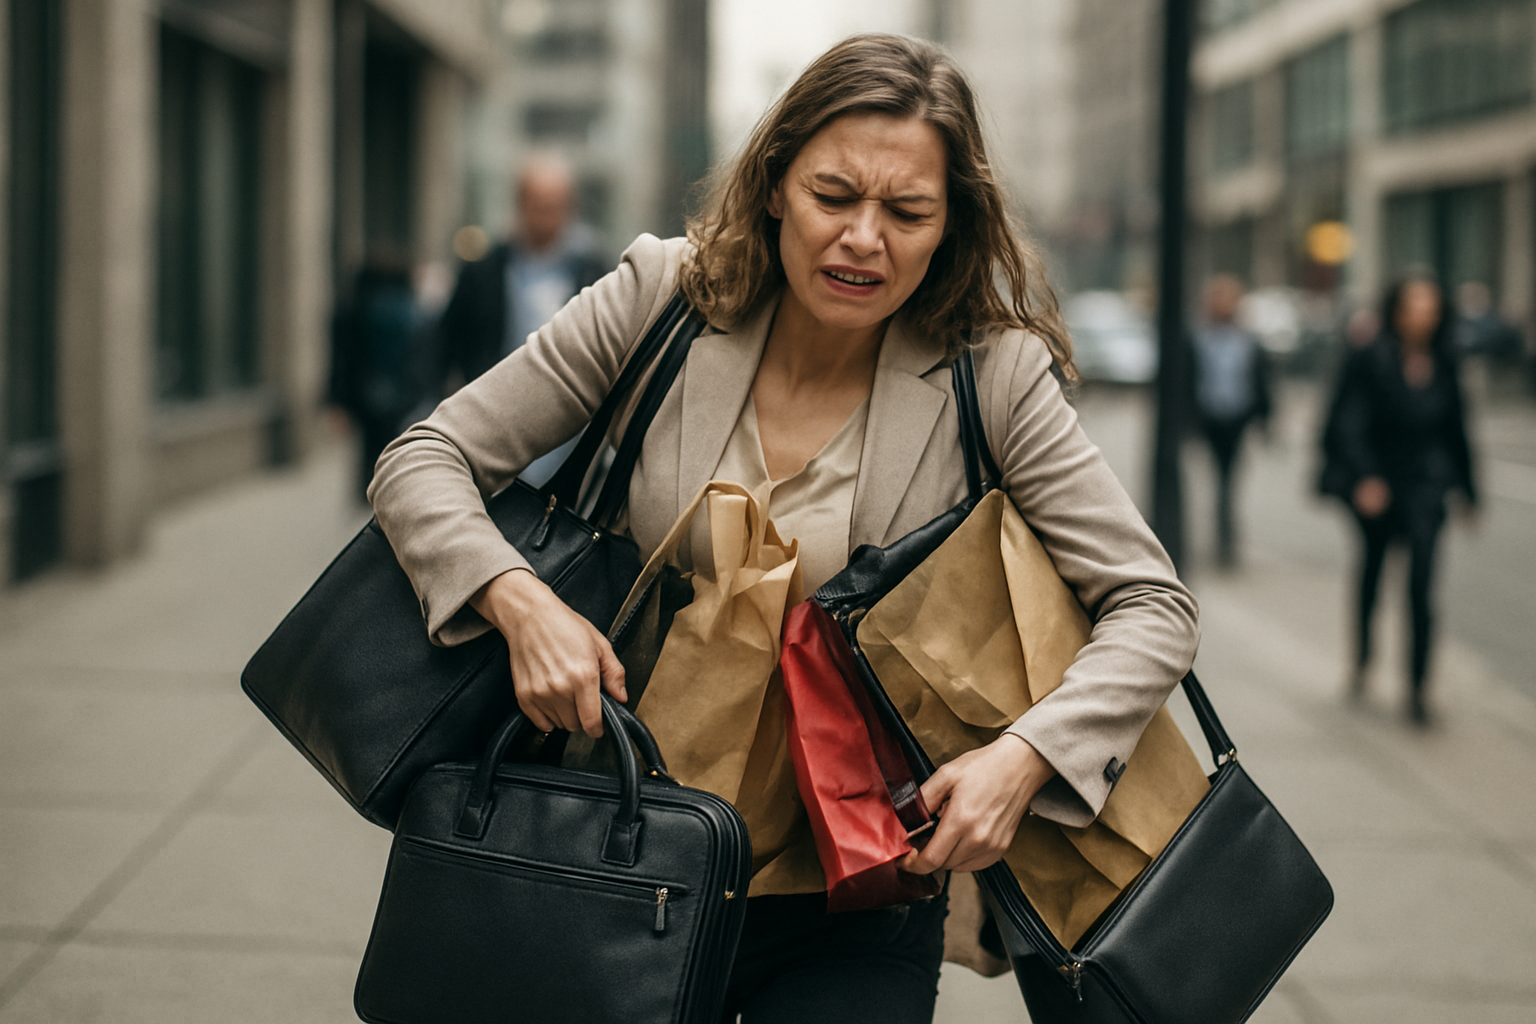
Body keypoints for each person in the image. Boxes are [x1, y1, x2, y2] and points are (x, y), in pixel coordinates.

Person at [369, 34, 1197, 1023]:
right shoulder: (660, 301)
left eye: (907, 211)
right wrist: (518, 603)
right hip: (615, 856)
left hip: (858, 897)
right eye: (834, 196)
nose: (863, 237)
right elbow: (421, 461)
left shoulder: (993, 373)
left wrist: (1024, 758)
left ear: (949, 224)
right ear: (774, 185)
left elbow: (1153, 605)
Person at [1319, 274, 1478, 725]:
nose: (1422, 316)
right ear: (1397, 311)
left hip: (1426, 488)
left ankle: (1418, 688)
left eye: (1430, 307)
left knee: (1422, 587)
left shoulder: (1445, 363)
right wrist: (1365, 477)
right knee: (1371, 573)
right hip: (1380, 488)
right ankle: (1363, 660)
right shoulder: (1371, 358)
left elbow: (1457, 430)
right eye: (1414, 306)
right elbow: (1347, 422)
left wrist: (1468, 490)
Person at [431, 154, 611, 483]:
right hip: (493, 429)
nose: (546, 216)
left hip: (571, 438)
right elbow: (444, 343)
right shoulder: (483, 271)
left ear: (570, 207)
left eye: (554, 206)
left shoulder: (595, 273)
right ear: (520, 204)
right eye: (538, 205)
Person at [1189, 274, 1271, 567]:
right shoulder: (1199, 338)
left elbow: (1261, 382)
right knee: (1218, 478)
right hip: (1210, 416)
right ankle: (1222, 534)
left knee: (1229, 479)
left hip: (1237, 417)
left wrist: (1264, 420)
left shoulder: (1247, 341)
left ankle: (1227, 536)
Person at [329, 253, 425, 501]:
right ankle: (391, 493)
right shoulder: (408, 307)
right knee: (395, 444)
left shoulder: (358, 306)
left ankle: (372, 494)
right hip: (400, 391)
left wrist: (337, 400)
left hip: (367, 390)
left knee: (371, 449)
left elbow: (343, 357)